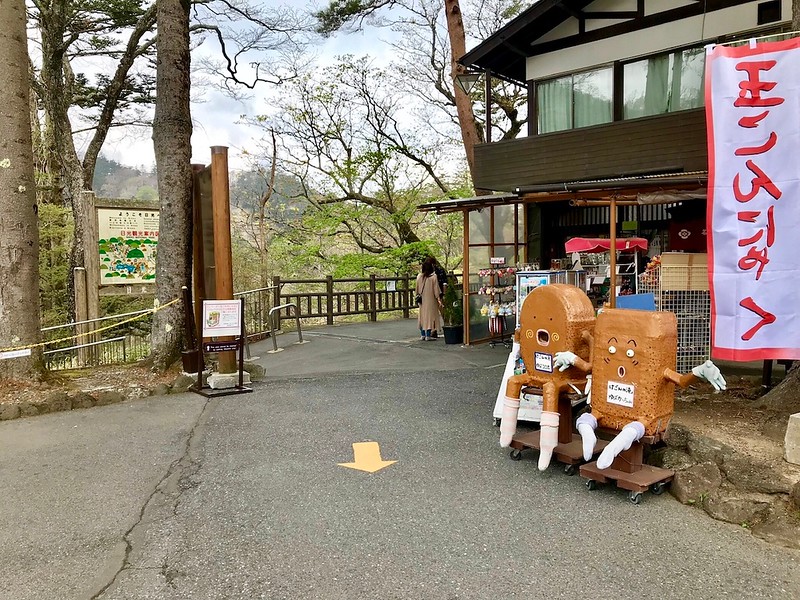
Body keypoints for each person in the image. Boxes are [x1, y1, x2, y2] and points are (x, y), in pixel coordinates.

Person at [416, 260, 442, 341]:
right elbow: (436, 290)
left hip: (422, 300)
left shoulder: (419, 276)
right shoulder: (433, 277)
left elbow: (416, 289)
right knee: (430, 317)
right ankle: (428, 335)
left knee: (422, 316)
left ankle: (423, 334)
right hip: (431, 300)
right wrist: (439, 299)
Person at [428, 256, 448, 338]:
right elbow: (444, 283)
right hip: (440, 294)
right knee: (443, 312)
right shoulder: (440, 270)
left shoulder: (428, 272)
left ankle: (434, 330)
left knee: (433, 313)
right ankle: (446, 326)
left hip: (431, 295)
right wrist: (444, 293)